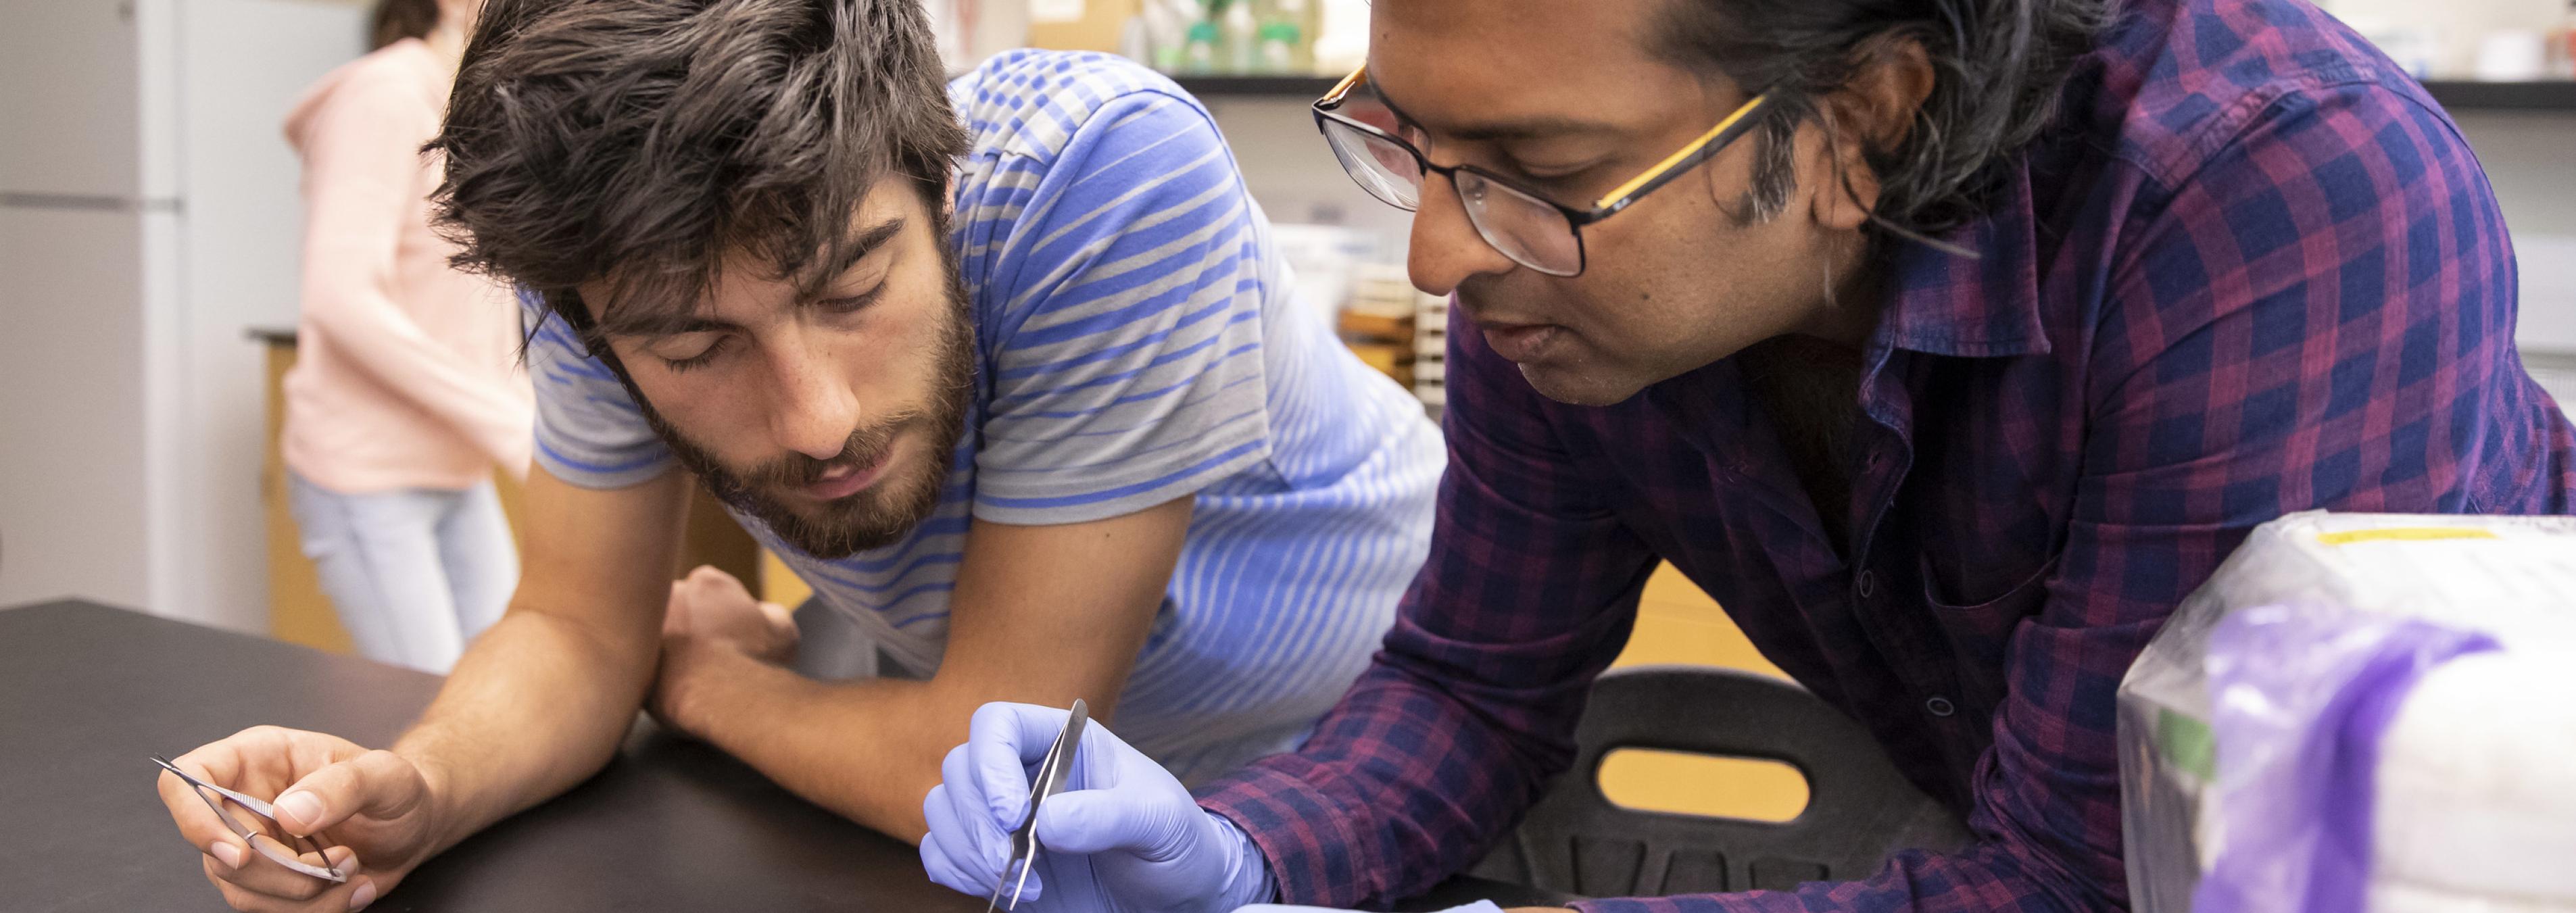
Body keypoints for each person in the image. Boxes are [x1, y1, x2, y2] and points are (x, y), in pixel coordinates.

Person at [920, 0, 2576, 910]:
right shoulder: (1567, 276)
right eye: (1412, 149)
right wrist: (1243, 858)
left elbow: (2097, 889)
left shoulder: (2264, 197)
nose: (1435, 256)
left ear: (1858, 121)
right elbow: (1472, 688)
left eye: (1527, 164)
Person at [153, 0, 1442, 908]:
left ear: (939, 184)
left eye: (850, 285)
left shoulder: (1100, 178)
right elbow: (576, 628)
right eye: (698, 349)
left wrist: (700, 679)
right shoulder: (602, 272)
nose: (818, 420)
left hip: (1362, 756)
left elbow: (998, 764)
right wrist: (419, 789)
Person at [278, 0, 531, 674]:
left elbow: (477, 305)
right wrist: (509, 421)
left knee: (508, 689)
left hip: (457, 464)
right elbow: (339, 298)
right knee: (430, 708)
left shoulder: (468, 110)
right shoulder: (383, 98)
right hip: (371, 472)